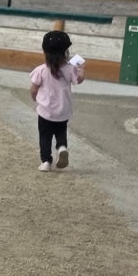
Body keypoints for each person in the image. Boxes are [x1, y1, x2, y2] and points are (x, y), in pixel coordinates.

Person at [31, 29, 85, 172]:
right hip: (63, 109)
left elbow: (34, 89)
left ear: (45, 52)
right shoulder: (70, 69)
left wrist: (35, 99)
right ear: (65, 52)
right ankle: (61, 147)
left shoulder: (41, 70)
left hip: (45, 110)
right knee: (61, 131)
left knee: (45, 136)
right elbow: (78, 80)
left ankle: (46, 162)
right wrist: (81, 71)